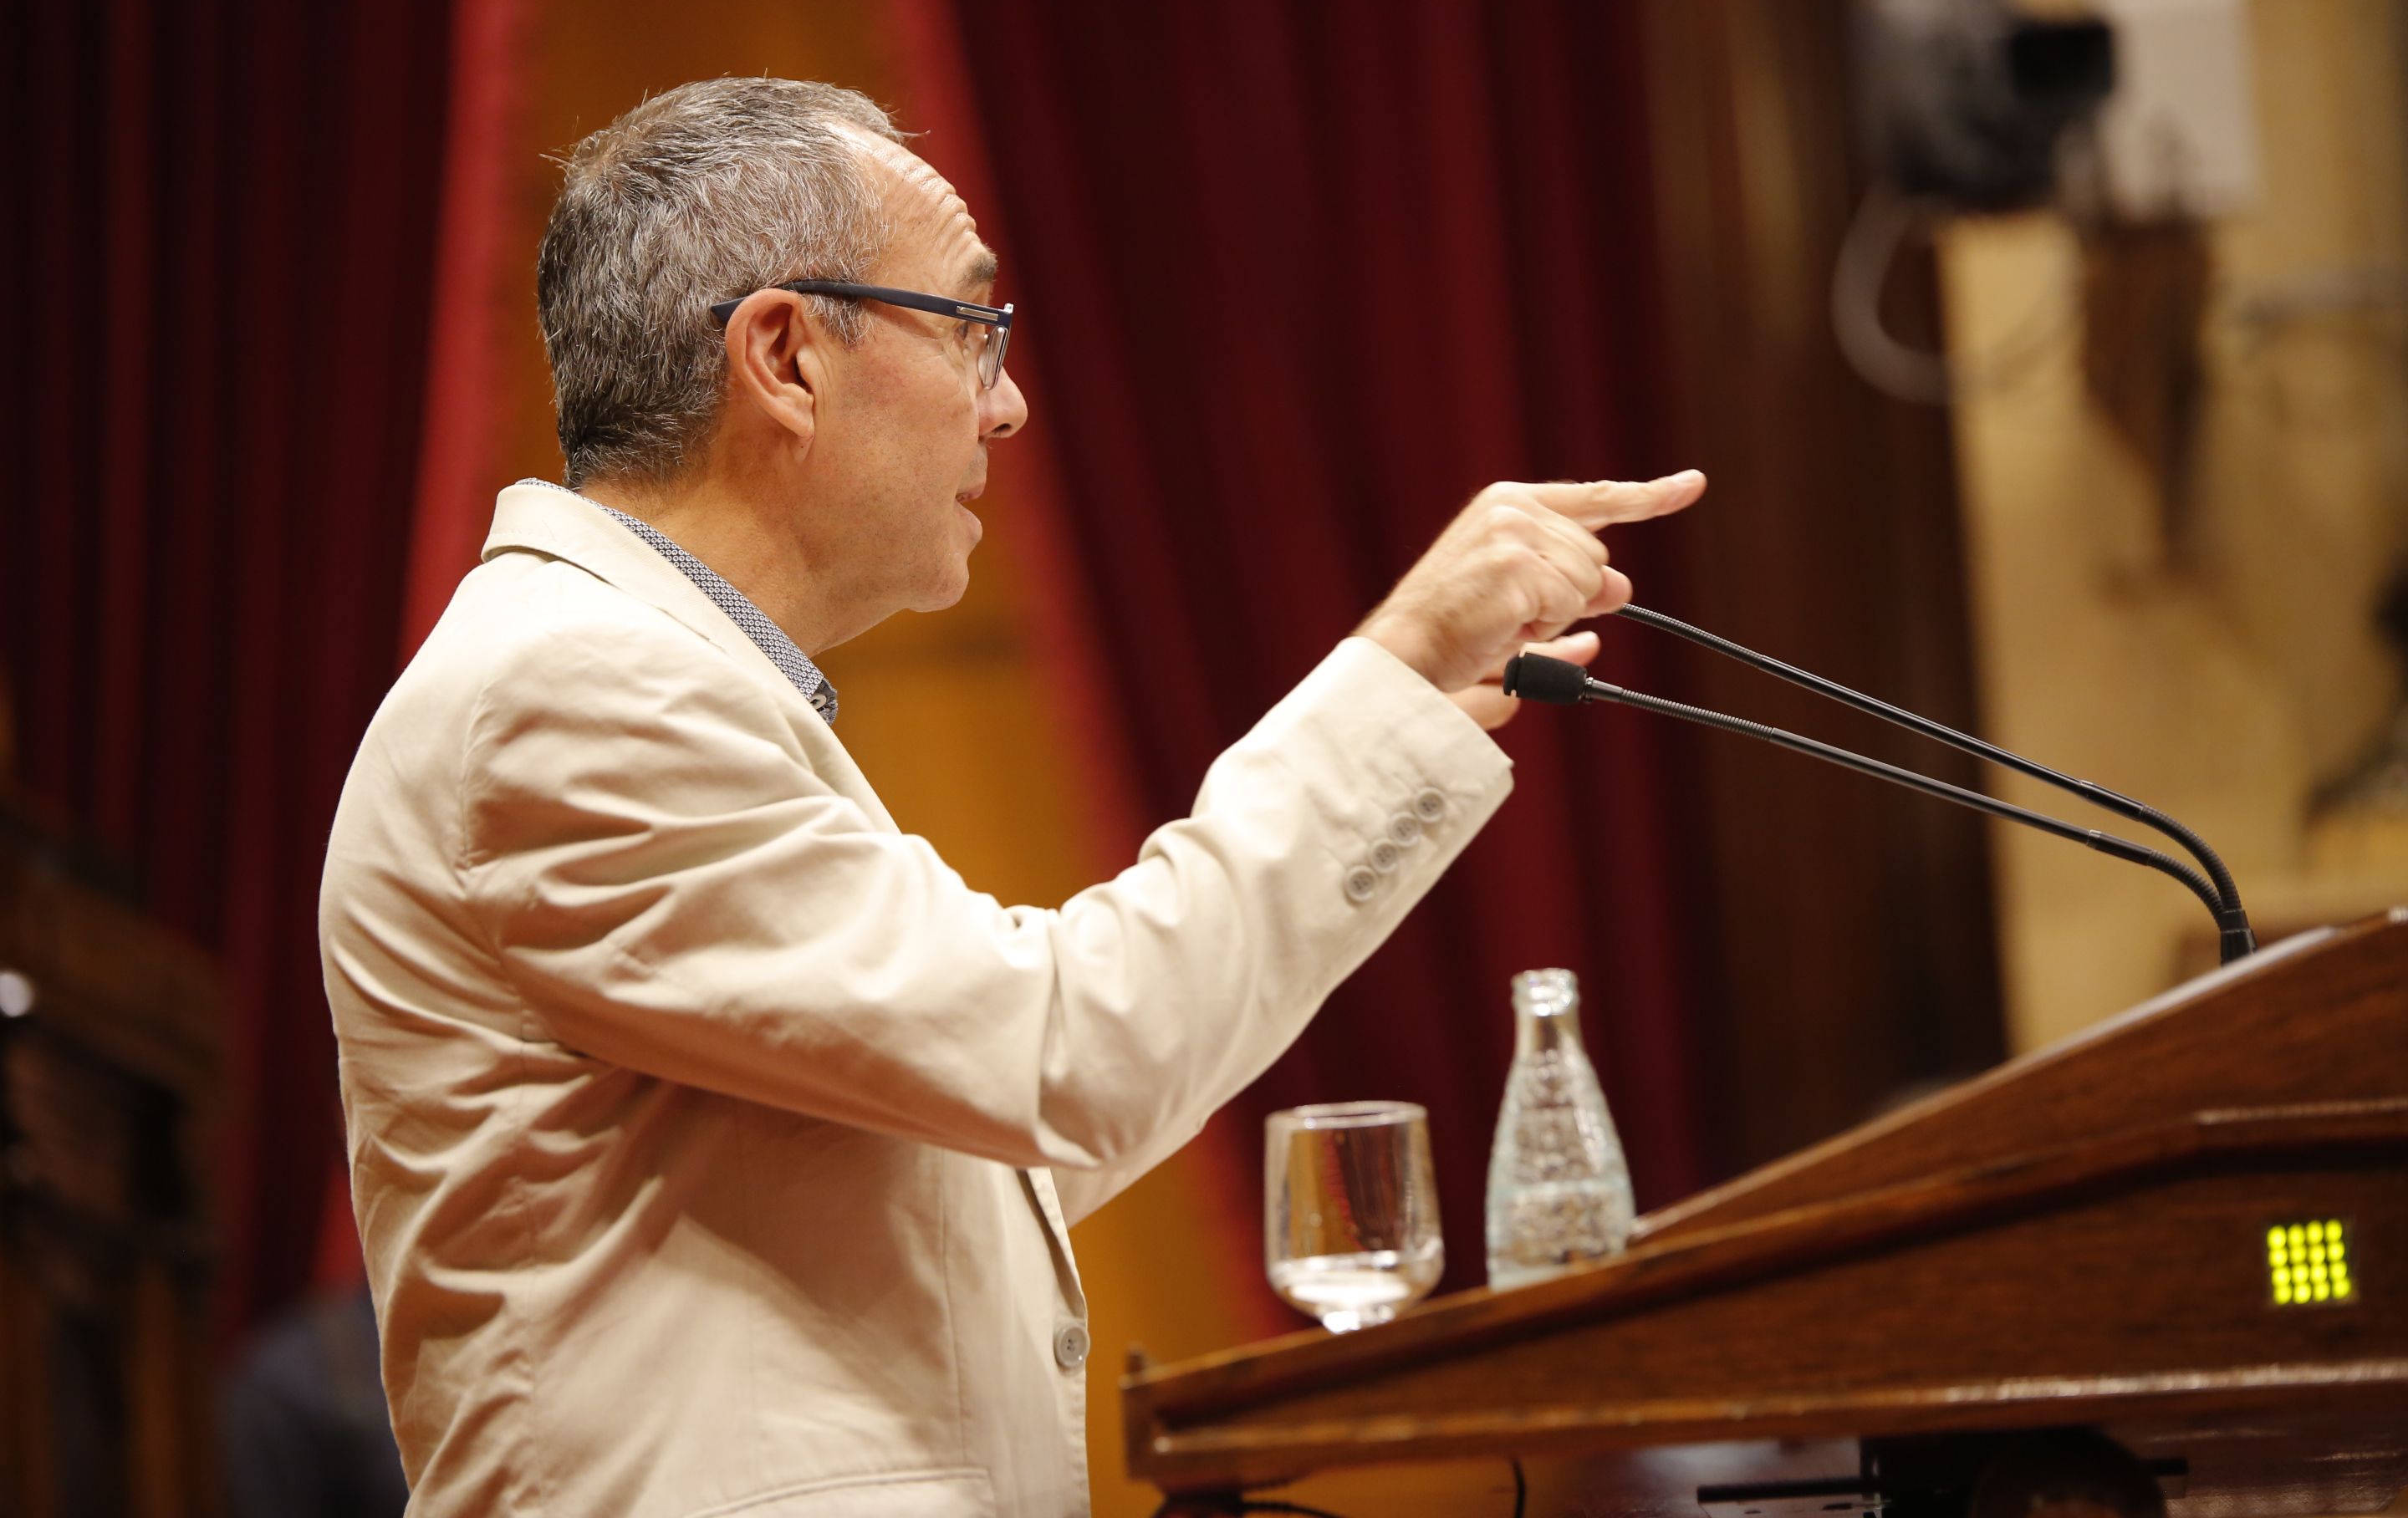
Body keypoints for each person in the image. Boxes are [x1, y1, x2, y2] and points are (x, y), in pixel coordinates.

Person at [319, 77, 1705, 1518]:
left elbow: (997, 1127)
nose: (1011, 402)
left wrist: (1404, 720)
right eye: (974, 329)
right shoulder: (573, 691)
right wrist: (1398, 669)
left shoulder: (630, 678)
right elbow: (1063, 1055)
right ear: (785, 356)